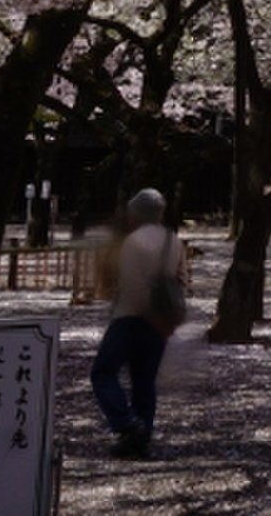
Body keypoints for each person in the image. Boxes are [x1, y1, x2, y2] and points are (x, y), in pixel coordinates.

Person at [90, 187, 188, 458]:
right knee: (144, 382)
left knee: (102, 372)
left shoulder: (133, 241)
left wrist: (145, 311)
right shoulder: (174, 240)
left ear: (137, 214)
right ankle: (141, 438)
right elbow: (181, 282)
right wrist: (167, 319)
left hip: (130, 317)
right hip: (160, 322)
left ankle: (126, 424)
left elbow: (132, 285)